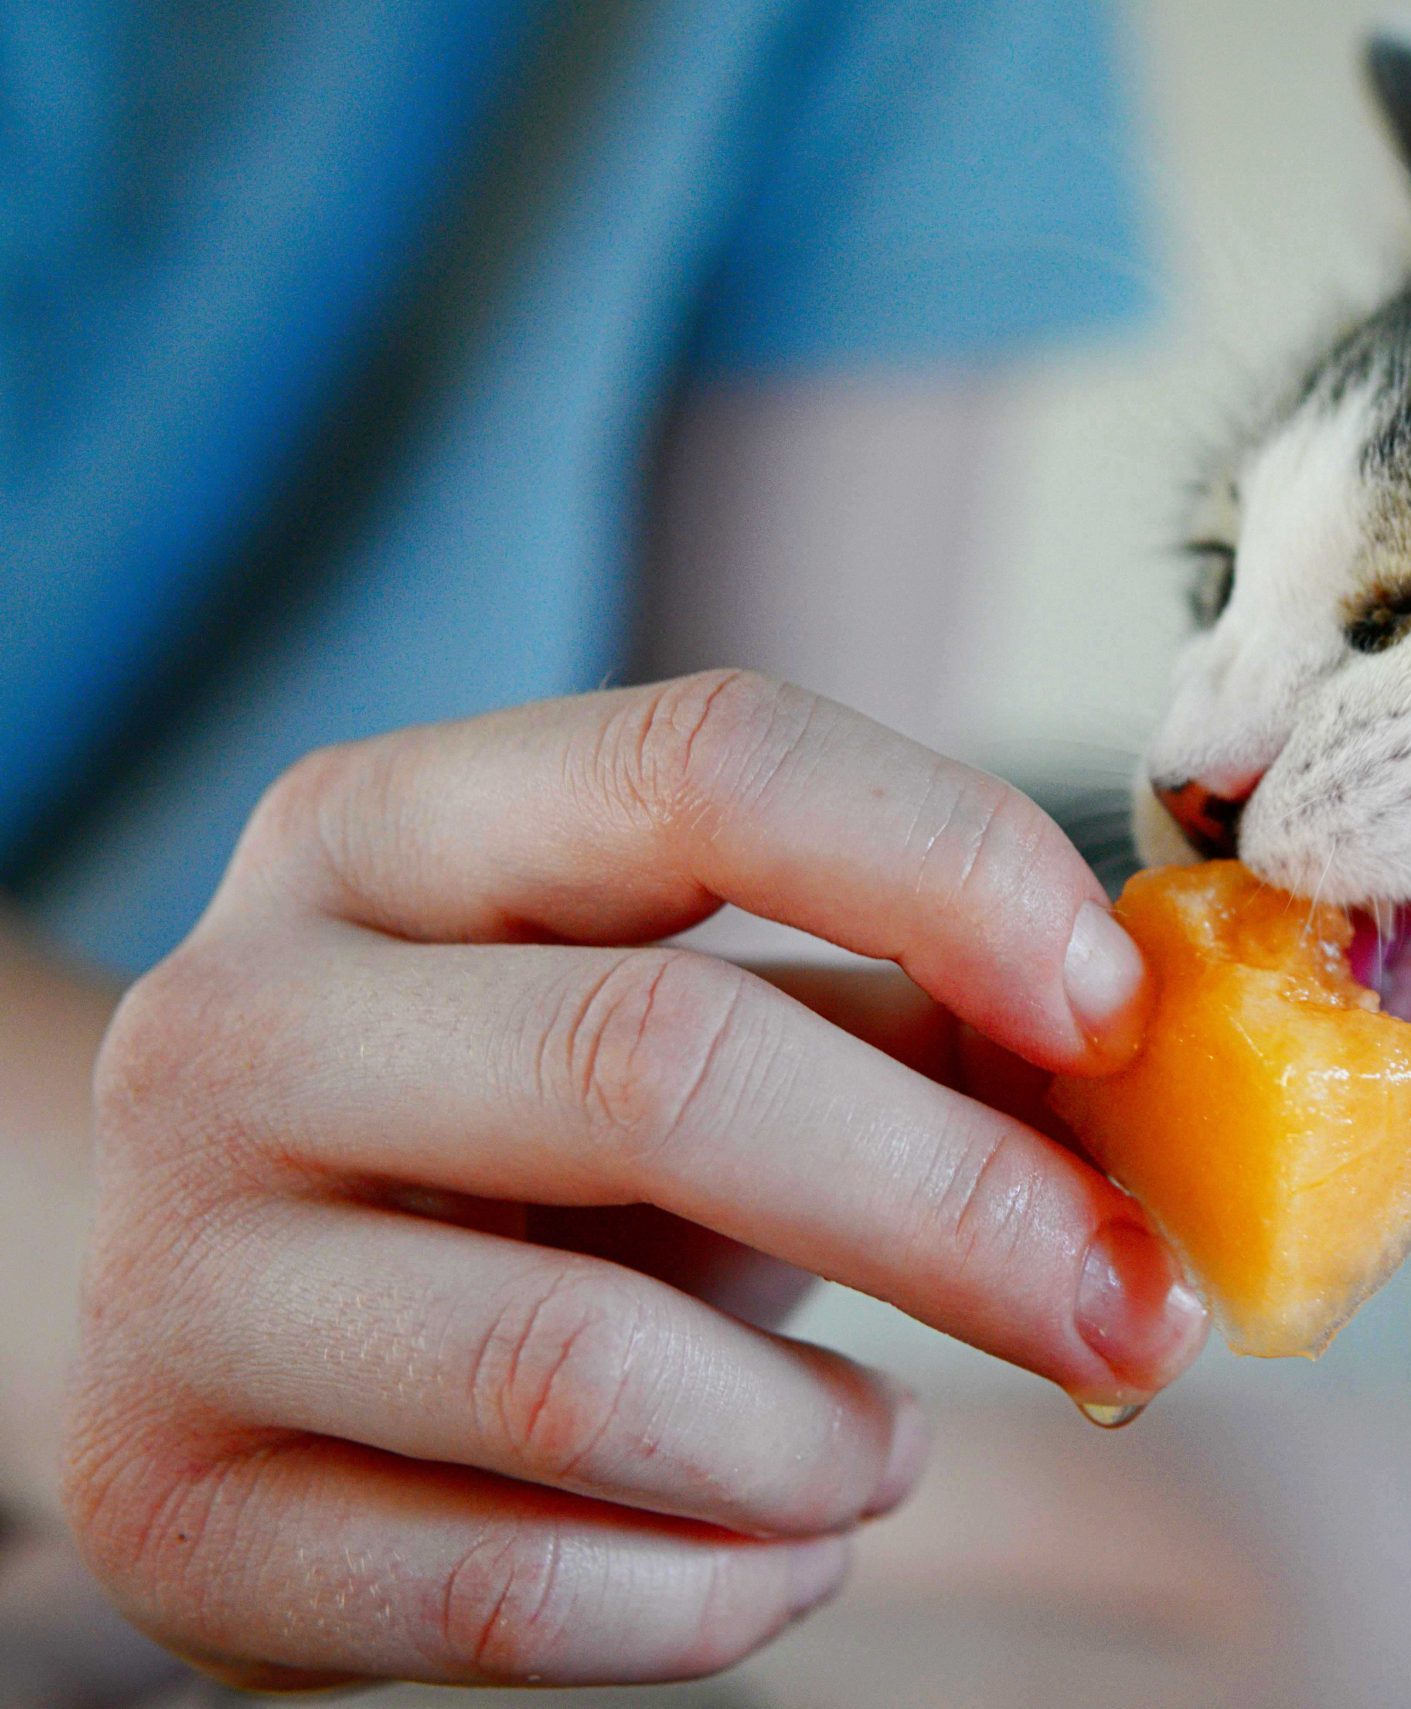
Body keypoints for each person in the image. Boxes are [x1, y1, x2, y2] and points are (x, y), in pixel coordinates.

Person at [0, 1, 1207, 1692]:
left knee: (1401, 1563)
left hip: (363, 1299)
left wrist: (587, 1349)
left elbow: (801, 897)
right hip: (165, 1294)